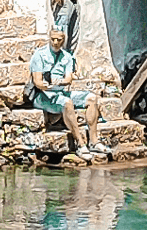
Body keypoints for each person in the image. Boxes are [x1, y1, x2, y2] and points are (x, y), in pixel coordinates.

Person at [27, 26, 108, 161]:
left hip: (60, 91)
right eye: (53, 39)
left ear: (63, 39)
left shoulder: (67, 56)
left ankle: (94, 141)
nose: (55, 42)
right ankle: (80, 144)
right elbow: (37, 81)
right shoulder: (39, 55)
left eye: (59, 40)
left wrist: (60, 82)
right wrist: (46, 85)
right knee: (67, 103)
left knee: (92, 98)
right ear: (49, 38)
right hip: (43, 96)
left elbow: (68, 78)